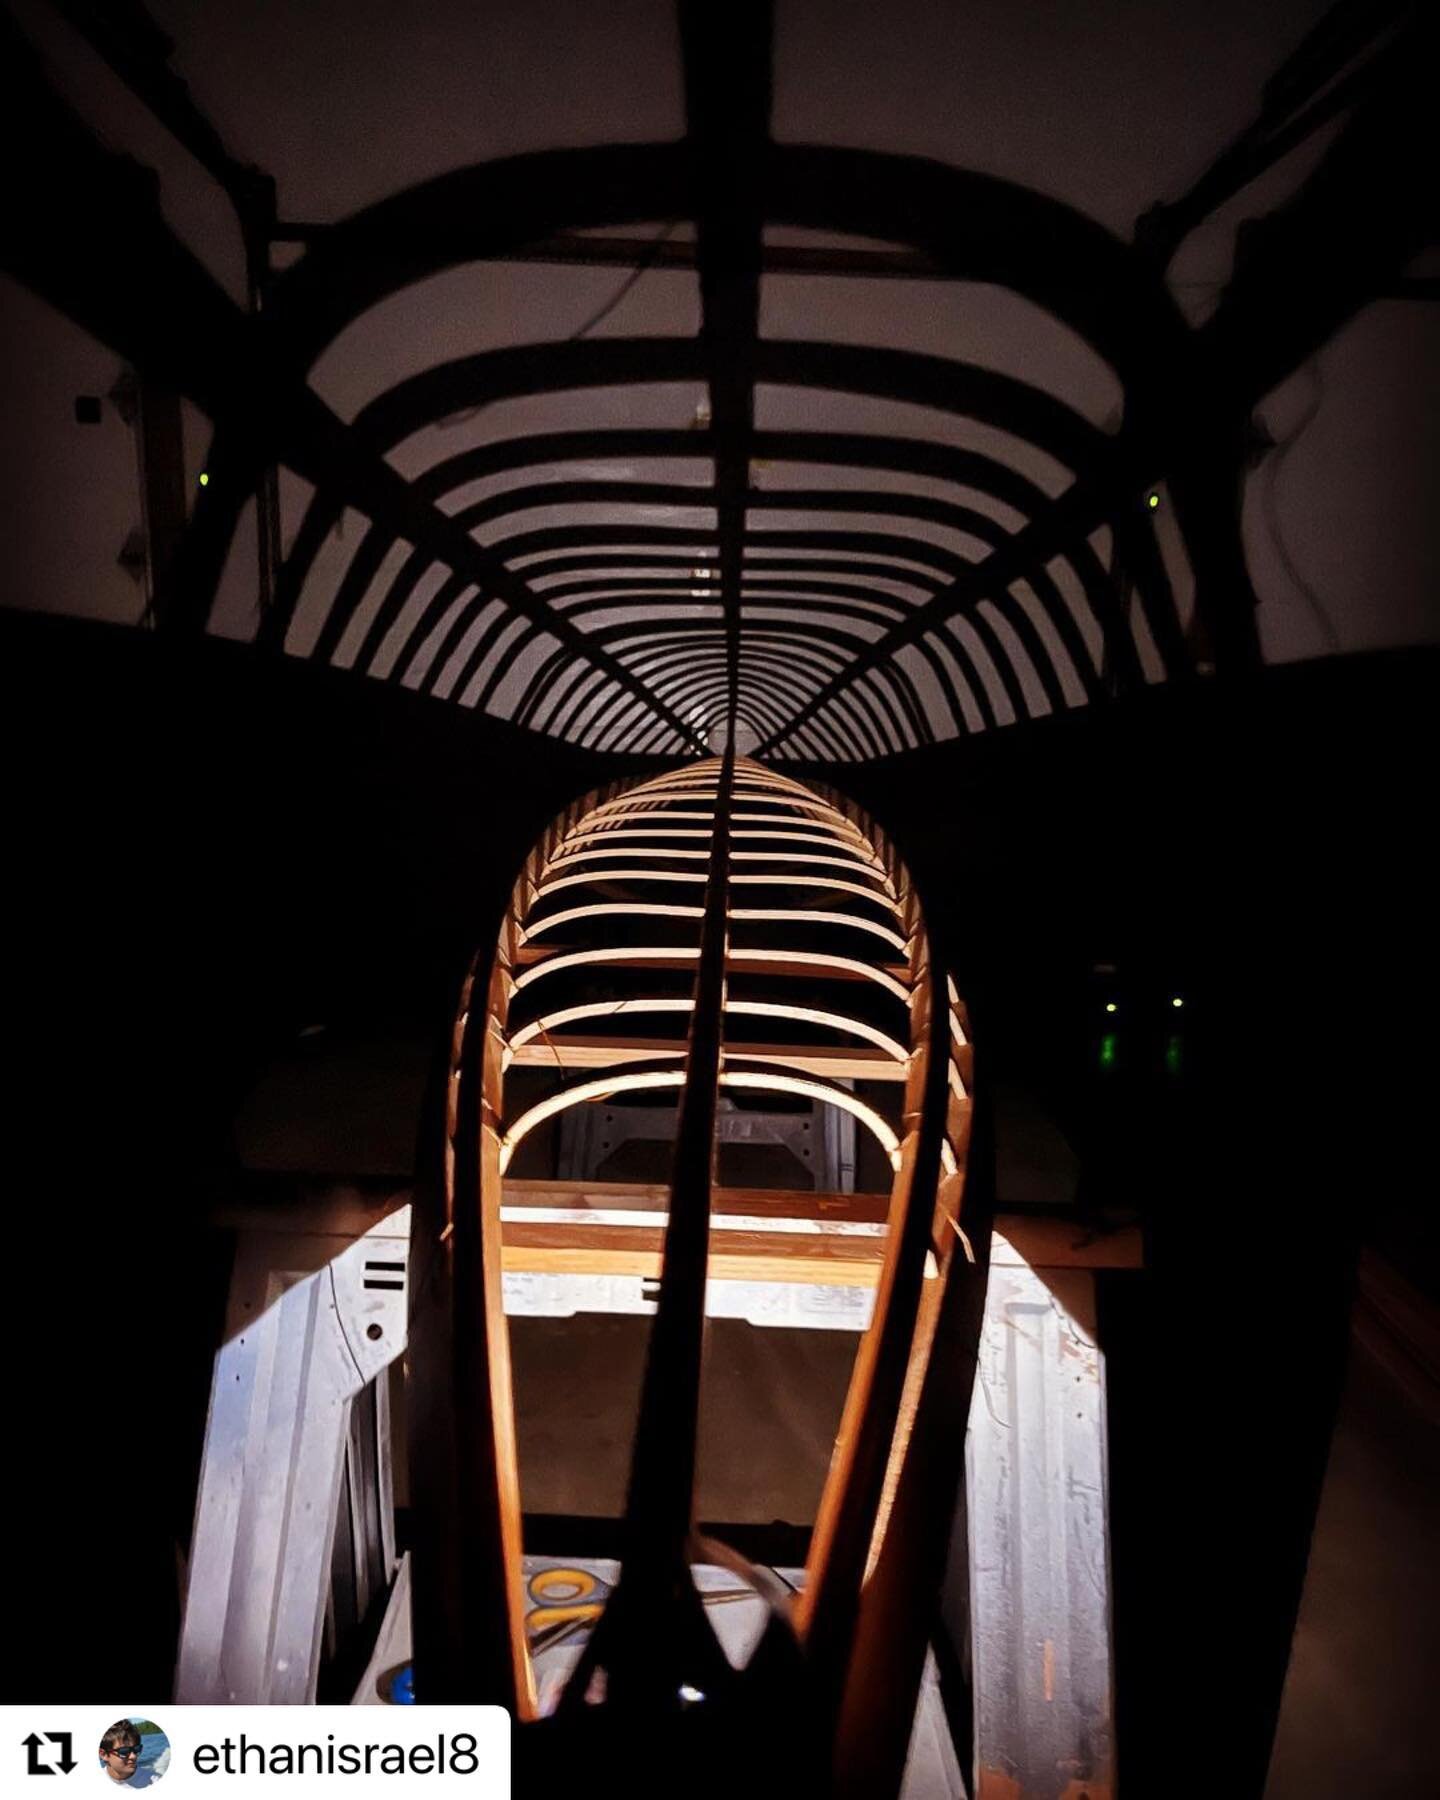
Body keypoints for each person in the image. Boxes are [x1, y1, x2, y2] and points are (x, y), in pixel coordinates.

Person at [98, 1721, 166, 1789]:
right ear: (104, 1754)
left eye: (136, 1749)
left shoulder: (153, 1782)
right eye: (124, 1751)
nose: (133, 1756)